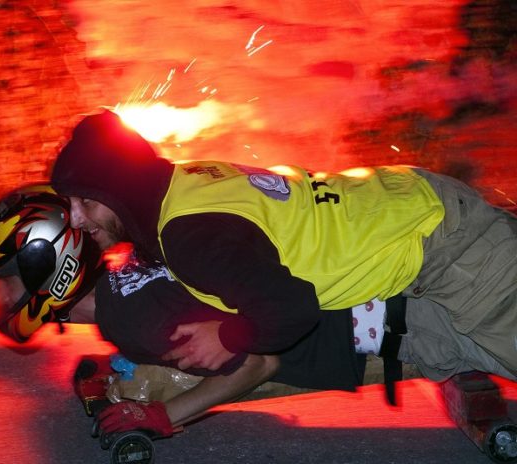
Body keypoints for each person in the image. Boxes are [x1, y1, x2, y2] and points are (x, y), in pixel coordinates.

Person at [49, 109, 517, 433]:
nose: (76, 218)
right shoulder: (186, 183)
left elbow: (292, 309)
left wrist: (229, 336)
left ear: (122, 192)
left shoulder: (188, 237)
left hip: (449, 249)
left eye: (87, 201)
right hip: (408, 207)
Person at [0, 183, 369, 439]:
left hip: (355, 335)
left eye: (5, 282)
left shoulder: (131, 321)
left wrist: (162, 415)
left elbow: (258, 364)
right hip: (345, 273)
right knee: (143, 372)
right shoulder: (129, 268)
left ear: (46, 269)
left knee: (148, 384)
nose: (1, 300)